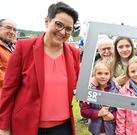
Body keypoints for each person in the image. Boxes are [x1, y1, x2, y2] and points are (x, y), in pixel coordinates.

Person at [0, 2, 80, 135]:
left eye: (68, 29)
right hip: (27, 125)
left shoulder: (74, 53)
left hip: (62, 128)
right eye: (58, 24)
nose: (62, 32)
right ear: (47, 21)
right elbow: (9, 90)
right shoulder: (23, 48)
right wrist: (4, 126)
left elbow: (76, 85)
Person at [81, 60, 119, 135]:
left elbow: (122, 111)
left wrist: (113, 116)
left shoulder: (117, 90)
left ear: (110, 74)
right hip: (96, 130)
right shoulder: (89, 90)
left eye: (106, 73)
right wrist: (98, 113)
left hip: (112, 129)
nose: (103, 76)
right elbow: (84, 111)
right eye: (99, 73)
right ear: (94, 74)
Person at [0, 19, 17, 98]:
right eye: (8, 28)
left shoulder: (14, 47)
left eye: (14, 30)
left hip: (11, 94)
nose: (12, 32)